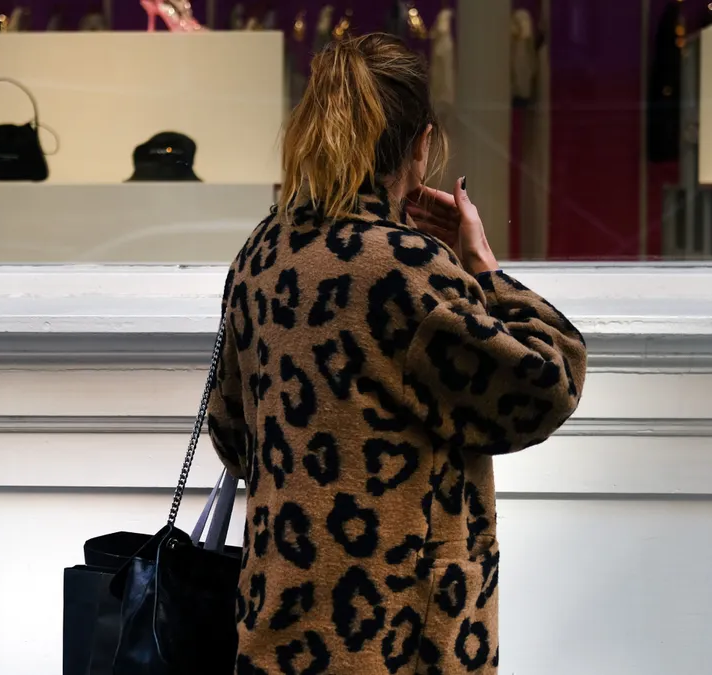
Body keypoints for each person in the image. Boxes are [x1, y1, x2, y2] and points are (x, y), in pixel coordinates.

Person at [206, 32, 587, 675]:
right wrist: (484, 269)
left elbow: (231, 433)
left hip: (276, 624)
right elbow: (548, 385)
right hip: (401, 636)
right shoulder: (408, 271)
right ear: (422, 146)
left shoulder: (261, 253)